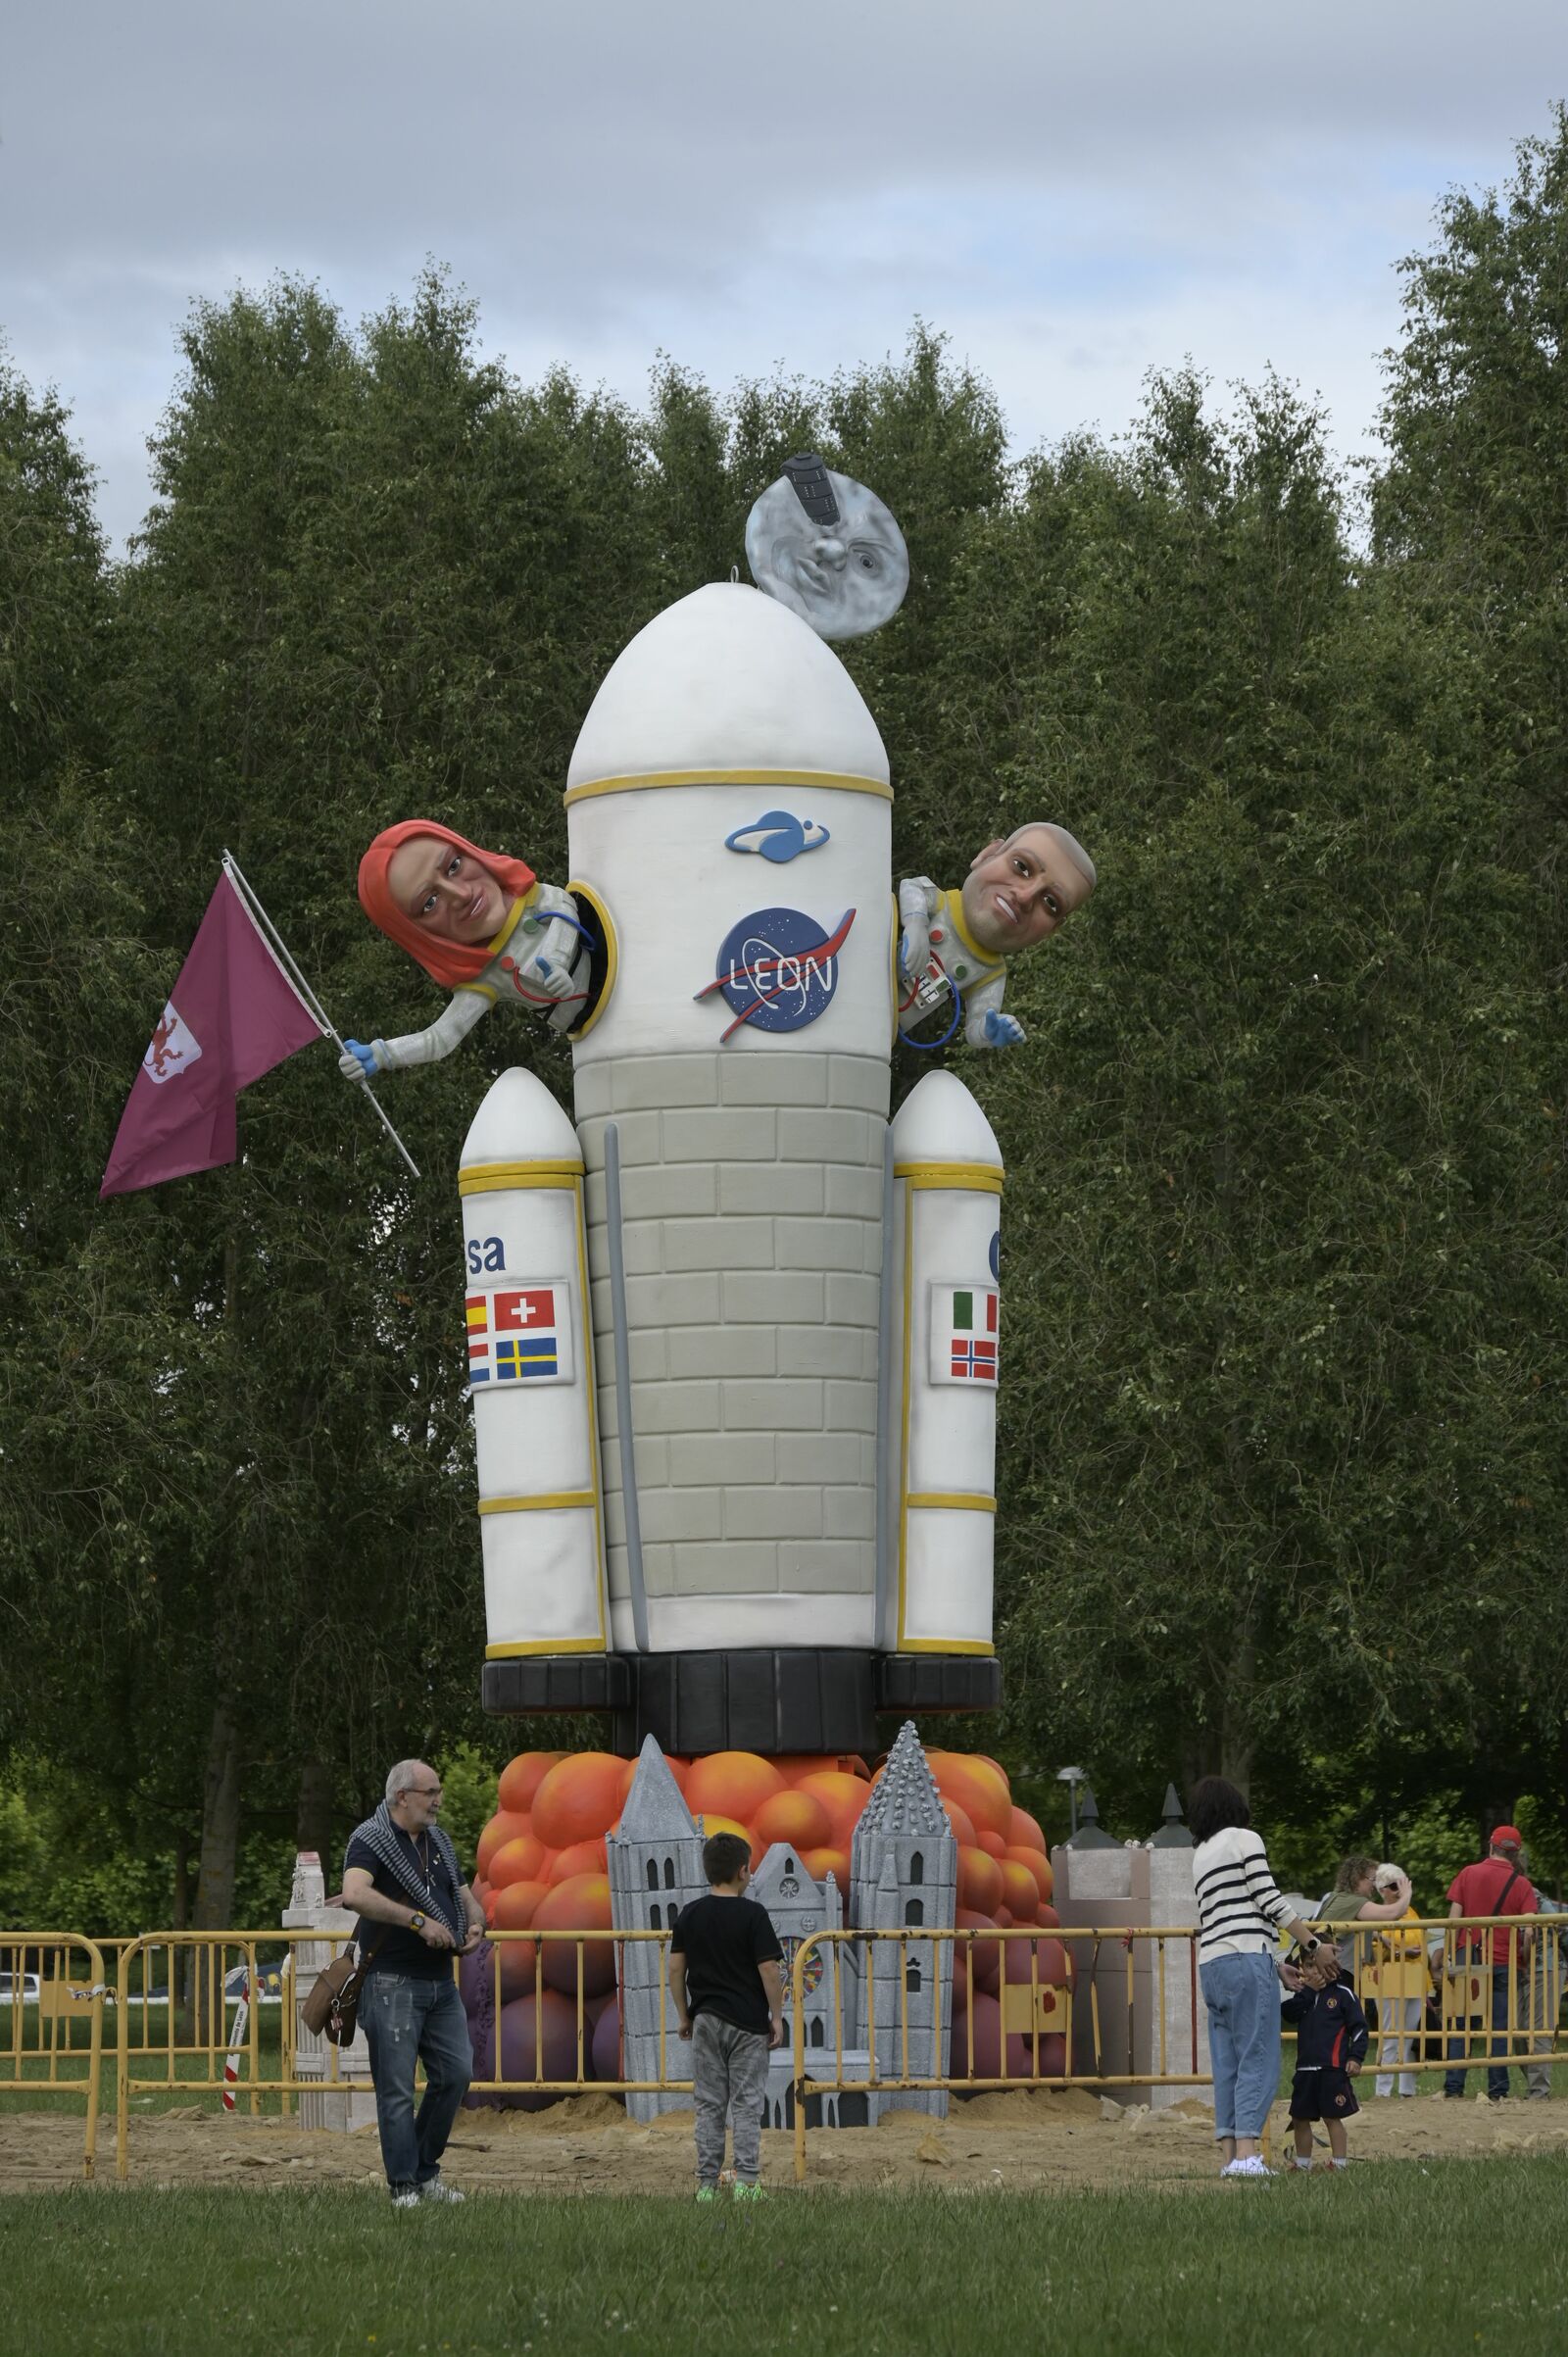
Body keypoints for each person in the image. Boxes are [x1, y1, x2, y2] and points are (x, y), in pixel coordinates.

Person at [338, 820, 593, 1084]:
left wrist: (557, 959)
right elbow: (440, 1038)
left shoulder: (531, 899)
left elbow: (564, 906)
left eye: (453, 866)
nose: (461, 894)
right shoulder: (484, 977)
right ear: (418, 935)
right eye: (430, 903)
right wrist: (381, 1054)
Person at [341, 1759, 485, 2207]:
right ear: (403, 1796)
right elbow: (354, 1893)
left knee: (456, 2075)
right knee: (397, 2088)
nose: (439, 1799)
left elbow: (463, 1897)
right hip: (391, 1981)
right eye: (431, 1791)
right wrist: (417, 1920)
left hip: (440, 1981)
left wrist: (477, 1923)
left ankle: (423, 2172)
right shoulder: (370, 1839)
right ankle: (404, 2184)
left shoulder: (439, 1841)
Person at [1190, 1776, 1332, 2180]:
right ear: (1234, 1805)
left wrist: (1273, 1965)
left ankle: (1230, 2156)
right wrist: (1312, 1945)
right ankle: (1249, 2156)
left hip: (1213, 1964)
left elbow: (1222, 1915)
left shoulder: (1200, 1853)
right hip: (1246, 1957)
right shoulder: (1244, 1839)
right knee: (1258, 2058)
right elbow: (1268, 1899)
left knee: (1227, 2062)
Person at [897, 822, 1096, 1050]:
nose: (1024, 896)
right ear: (987, 855)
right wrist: (915, 923)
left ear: (1050, 932)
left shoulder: (991, 974)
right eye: (1021, 866)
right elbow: (912, 887)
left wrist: (990, 1032)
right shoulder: (942, 903)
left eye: (1050, 902)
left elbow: (975, 1029)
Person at [668, 1830, 786, 2203]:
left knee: (708, 2103)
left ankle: (706, 2185)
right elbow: (769, 1969)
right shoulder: (754, 1914)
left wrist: (684, 2015)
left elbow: (675, 1970)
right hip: (749, 2024)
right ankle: (746, 2183)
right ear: (743, 1871)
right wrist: (777, 2016)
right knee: (747, 2103)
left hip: (705, 2021)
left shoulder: (690, 1914)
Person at [1443, 1825, 1538, 2101]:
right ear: (1516, 1853)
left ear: (1490, 1846)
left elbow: (1453, 1918)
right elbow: (1530, 1930)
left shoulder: (1468, 1873)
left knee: (1462, 2025)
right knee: (1499, 2027)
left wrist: (1452, 1952)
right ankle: (1498, 2090)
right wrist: (1524, 1954)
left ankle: (1454, 2087)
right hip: (1504, 1962)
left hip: (1469, 1959)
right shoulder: (1522, 1884)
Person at [1282, 1943, 1368, 2171]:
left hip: (1332, 2069)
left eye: (1319, 1965)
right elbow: (1288, 2013)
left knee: (1332, 2117)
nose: (1314, 1971)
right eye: (1309, 1965)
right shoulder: (1302, 1994)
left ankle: (1338, 2163)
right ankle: (1302, 2164)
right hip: (1305, 2070)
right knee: (1299, 2119)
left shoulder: (1343, 1994)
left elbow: (1359, 2028)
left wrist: (1355, 2057)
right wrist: (1308, 1991)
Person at [1315, 1854, 1414, 1997]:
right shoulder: (1353, 1902)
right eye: (1372, 1879)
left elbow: (1346, 1926)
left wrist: (1377, 1936)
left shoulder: (1338, 1898)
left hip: (1335, 1973)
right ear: (1357, 1878)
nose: (1374, 1885)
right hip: (1339, 1975)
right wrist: (1407, 1893)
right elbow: (1393, 1913)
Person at [1367, 1863, 1426, 2097]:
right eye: (1393, 1886)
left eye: (1401, 1884)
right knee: (1390, 2034)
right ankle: (1383, 2091)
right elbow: (1373, 1952)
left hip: (1414, 1980)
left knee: (1409, 2036)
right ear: (1382, 1890)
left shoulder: (1412, 1913)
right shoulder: (1377, 1914)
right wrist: (1398, 1951)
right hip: (1390, 1980)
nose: (1398, 1890)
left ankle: (1407, 2090)